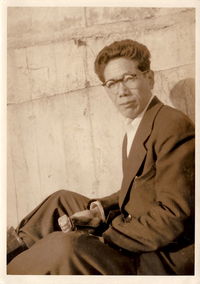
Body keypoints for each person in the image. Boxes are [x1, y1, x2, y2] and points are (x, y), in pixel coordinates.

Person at [7, 39, 195, 275]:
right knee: (60, 200)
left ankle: (12, 272)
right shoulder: (137, 127)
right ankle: (8, 251)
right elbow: (141, 188)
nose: (121, 91)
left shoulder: (171, 124)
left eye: (129, 78)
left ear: (150, 78)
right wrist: (100, 210)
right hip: (133, 226)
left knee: (63, 245)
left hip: (156, 256)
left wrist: (104, 235)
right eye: (112, 83)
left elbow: (173, 217)